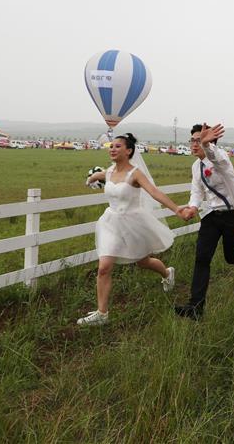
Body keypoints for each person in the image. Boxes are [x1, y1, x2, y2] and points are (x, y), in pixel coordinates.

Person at [78, 133, 183, 326]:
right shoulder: (109, 172)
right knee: (104, 268)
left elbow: (154, 192)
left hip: (133, 224)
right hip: (110, 223)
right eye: (111, 146)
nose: (113, 149)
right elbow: (100, 175)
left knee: (143, 262)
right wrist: (91, 178)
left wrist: (176, 209)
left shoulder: (135, 174)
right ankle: (102, 313)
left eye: (118, 146)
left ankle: (167, 273)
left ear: (129, 151)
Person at [174, 123, 234, 320]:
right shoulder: (195, 166)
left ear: (210, 141)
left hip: (233, 216)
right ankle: (196, 307)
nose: (194, 144)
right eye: (192, 140)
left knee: (231, 257)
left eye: (197, 140)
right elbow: (197, 190)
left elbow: (214, 157)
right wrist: (193, 206)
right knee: (202, 258)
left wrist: (207, 145)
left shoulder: (222, 159)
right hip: (211, 216)